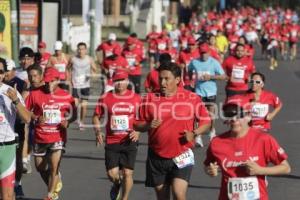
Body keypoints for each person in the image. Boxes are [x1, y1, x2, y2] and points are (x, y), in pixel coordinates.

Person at [137, 62, 211, 200]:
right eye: (160, 79)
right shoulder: (149, 99)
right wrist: (147, 125)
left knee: (179, 194)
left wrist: (194, 133)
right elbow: (136, 125)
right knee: (162, 197)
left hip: (182, 154)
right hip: (156, 155)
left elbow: (206, 122)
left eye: (166, 79)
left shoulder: (192, 98)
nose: (162, 83)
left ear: (177, 80)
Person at [204, 103, 291, 200]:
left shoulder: (263, 139)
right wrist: (210, 171)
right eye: (229, 115)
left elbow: (286, 168)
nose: (234, 119)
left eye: (239, 115)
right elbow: (208, 165)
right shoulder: (217, 142)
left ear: (249, 117)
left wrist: (261, 170)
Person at [25, 67, 77, 200]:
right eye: (46, 82)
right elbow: (26, 111)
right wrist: (36, 117)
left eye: (51, 82)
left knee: (54, 167)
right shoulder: (35, 93)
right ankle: (54, 183)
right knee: (40, 167)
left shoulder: (66, 96)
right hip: (40, 137)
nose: (48, 85)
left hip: (57, 137)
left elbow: (74, 114)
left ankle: (50, 195)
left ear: (58, 80)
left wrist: (68, 121)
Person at [93, 70, 141, 200]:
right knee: (112, 174)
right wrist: (98, 131)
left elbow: (143, 118)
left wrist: (138, 131)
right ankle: (116, 184)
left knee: (127, 173)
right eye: (117, 81)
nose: (120, 83)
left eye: (122, 80)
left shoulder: (136, 98)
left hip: (129, 140)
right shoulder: (105, 97)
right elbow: (96, 116)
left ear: (127, 81)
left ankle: (124, 198)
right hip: (112, 140)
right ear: (113, 82)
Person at [0, 58, 31, 200]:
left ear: (4, 74)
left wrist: (16, 101)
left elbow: (27, 118)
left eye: (0, 71)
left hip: (7, 149)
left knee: (7, 196)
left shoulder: (11, 92)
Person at [188, 43, 226, 145]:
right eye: (202, 53)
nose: (204, 55)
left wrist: (211, 77)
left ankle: (212, 130)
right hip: (198, 91)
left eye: (205, 53)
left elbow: (223, 76)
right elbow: (189, 70)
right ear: (199, 53)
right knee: (197, 114)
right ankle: (198, 135)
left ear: (209, 52)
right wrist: (191, 80)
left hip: (211, 92)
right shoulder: (195, 62)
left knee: (210, 114)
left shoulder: (214, 62)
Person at [69, 42, 96, 130]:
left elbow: (95, 69)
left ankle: (82, 122)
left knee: (84, 105)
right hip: (75, 85)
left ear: (86, 50)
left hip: (85, 85)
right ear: (77, 50)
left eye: (82, 49)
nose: (81, 51)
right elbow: (67, 68)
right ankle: (77, 117)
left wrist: (91, 75)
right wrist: (69, 79)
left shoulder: (89, 59)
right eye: (79, 49)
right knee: (76, 105)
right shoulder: (73, 59)